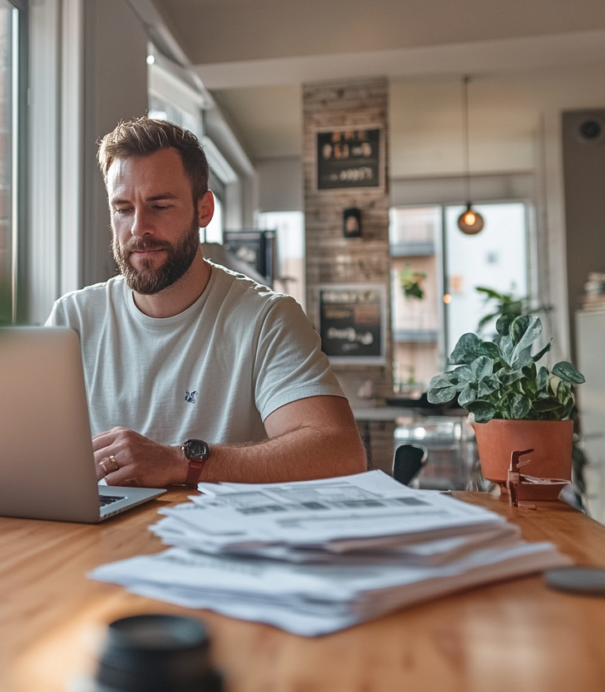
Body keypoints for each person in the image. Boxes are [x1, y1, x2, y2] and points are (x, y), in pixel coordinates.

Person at [46, 117, 367, 488]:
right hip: (93, 537)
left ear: (204, 210)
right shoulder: (72, 318)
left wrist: (178, 461)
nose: (137, 228)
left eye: (160, 205)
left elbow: (339, 451)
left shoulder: (265, 318)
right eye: (123, 208)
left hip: (220, 540)